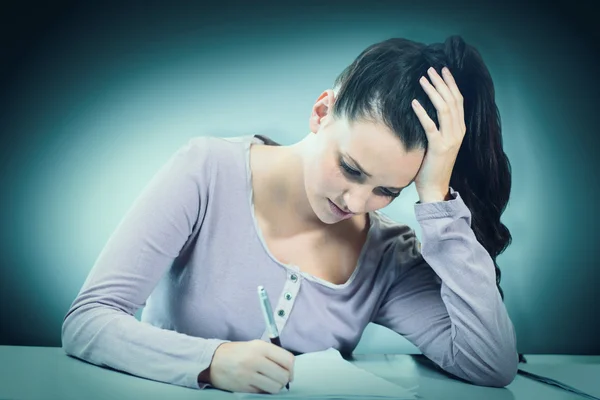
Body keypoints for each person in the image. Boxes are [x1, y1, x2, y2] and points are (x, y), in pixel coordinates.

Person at [61, 34, 519, 394]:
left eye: (387, 190)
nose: (355, 203)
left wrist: (436, 198)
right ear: (322, 112)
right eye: (350, 168)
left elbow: (489, 363)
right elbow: (88, 321)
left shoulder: (387, 257)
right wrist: (212, 361)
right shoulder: (208, 171)